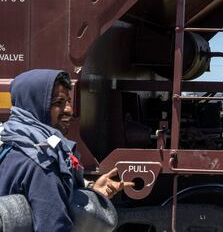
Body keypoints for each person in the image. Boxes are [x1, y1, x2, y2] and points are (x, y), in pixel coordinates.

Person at [0, 69, 132, 232]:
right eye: (58, 103)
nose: (69, 110)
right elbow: (54, 225)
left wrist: (91, 192)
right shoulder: (42, 163)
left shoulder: (15, 144)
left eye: (68, 101)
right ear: (35, 105)